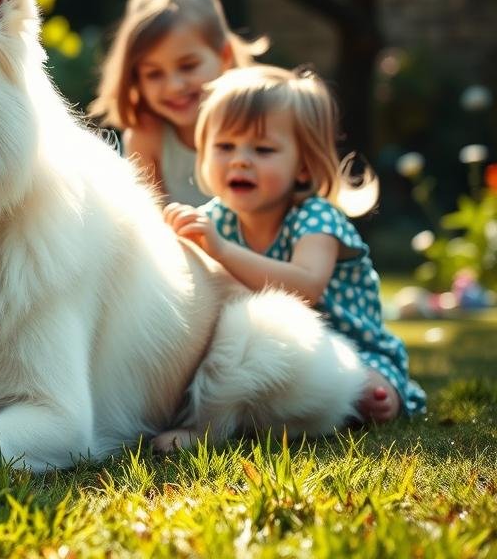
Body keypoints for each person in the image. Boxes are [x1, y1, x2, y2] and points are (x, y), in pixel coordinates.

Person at [164, 65, 426, 421]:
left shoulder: (316, 219)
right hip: (272, 353)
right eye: (225, 146)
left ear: (302, 167)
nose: (240, 160)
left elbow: (306, 288)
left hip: (346, 350)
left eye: (263, 149)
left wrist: (222, 251)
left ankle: (392, 392)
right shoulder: (216, 219)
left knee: (371, 395)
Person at [90, 0, 267, 205]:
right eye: (154, 74)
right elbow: (152, 223)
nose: (174, 86)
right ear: (135, 77)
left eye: (188, 66)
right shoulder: (147, 138)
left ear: (225, 57)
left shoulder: (261, 121)